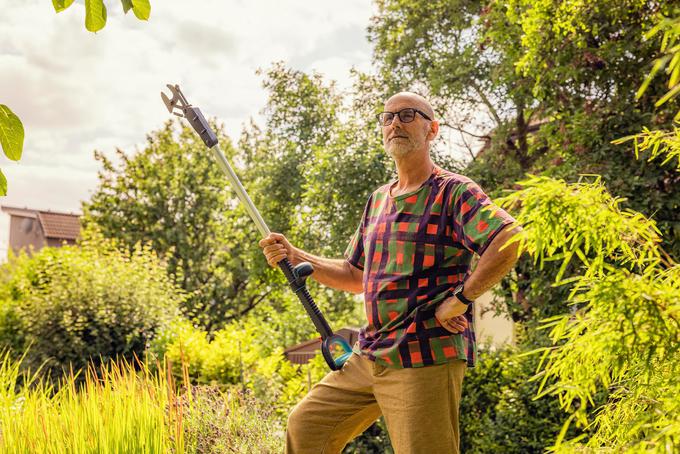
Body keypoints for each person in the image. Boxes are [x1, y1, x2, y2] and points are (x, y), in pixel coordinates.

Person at [259, 92, 523, 454]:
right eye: (387, 117)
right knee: (307, 427)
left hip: (424, 353)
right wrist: (294, 254)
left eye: (407, 115)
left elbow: (508, 238)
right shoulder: (378, 199)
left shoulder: (453, 191)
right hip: (369, 353)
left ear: (432, 130)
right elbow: (354, 275)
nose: (395, 123)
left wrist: (461, 299)